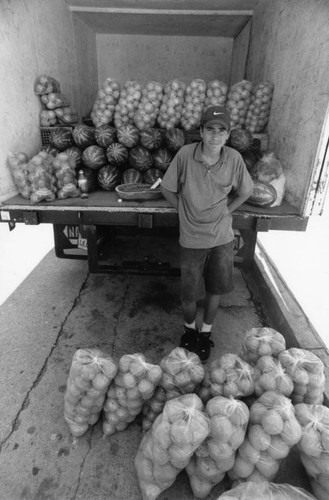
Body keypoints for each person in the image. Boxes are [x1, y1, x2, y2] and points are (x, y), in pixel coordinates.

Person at [160, 105, 254, 362]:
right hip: (191, 238)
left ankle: (205, 333)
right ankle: (189, 330)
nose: (215, 135)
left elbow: (246, 190)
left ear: (228, 134)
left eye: (221, 131)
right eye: (210, 129)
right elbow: (167, 189)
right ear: (201, 131)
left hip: (222, 238)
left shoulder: (233, 158)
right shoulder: (185, 154)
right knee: (189, 293)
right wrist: (182, 208)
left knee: (215, 289)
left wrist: (228, 211)